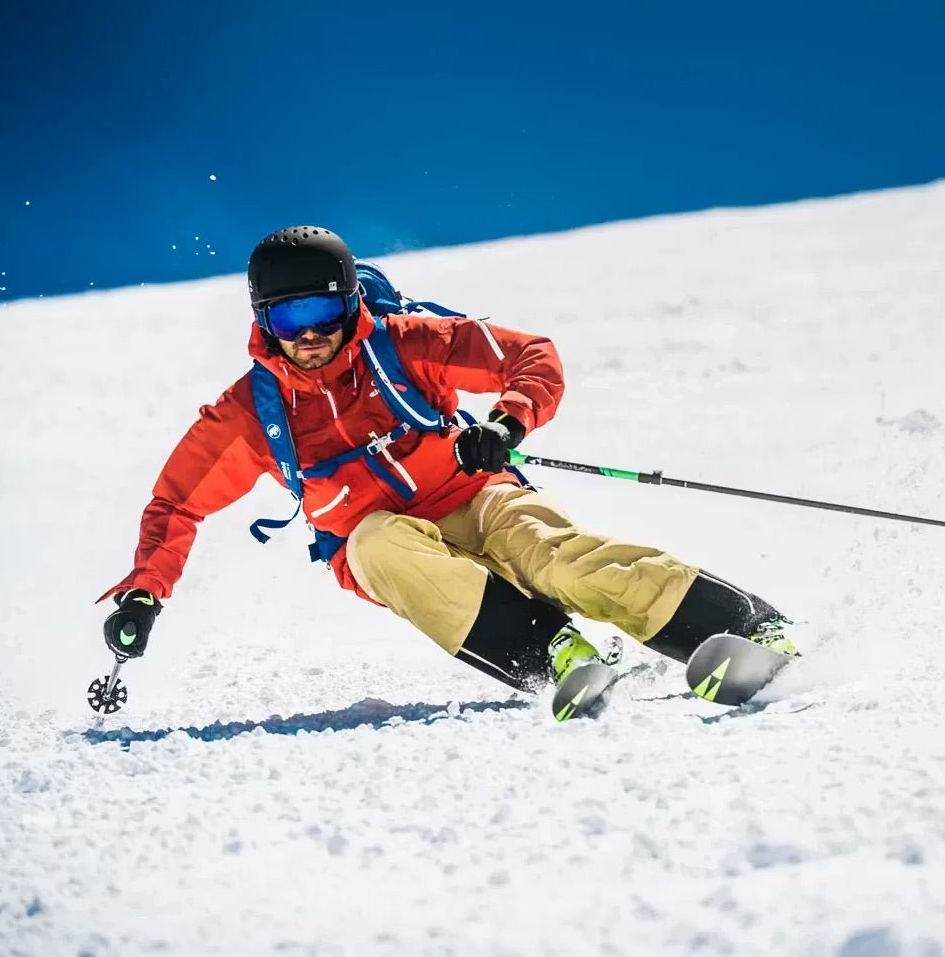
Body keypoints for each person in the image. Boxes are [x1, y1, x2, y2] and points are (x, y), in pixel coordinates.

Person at [100, 226, 796, 695]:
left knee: (553, 556)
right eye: (287, 319)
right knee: (374, 546)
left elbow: (530, 356)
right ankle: (554, 657)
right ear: (262, 322)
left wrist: (506, 421)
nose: (308, 335)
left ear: (348, 304)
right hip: (385, 540)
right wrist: (144, 590)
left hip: (475, 492)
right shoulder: (252, 411)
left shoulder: (402, 343)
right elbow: (176, 504)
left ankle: (745, 626)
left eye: (320, 311)